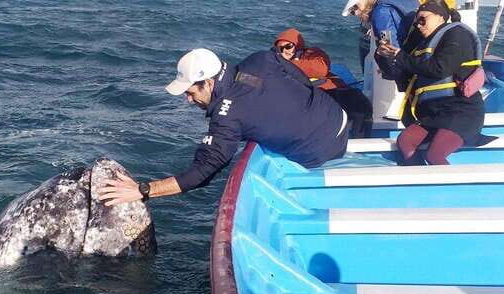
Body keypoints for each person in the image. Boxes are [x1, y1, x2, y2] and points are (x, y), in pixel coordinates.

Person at [99, 48, 348, 205]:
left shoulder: (226, 119)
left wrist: (142, 190)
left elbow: (203, 172)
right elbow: (300, 78)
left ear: (207, 83)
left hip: (323, 151)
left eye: (190, 92)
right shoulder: (260, 58)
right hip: (339, 116)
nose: (188, 100)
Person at [377, 0, 485, 165]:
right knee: (405, 141)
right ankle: (419, 183)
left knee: (434, 155)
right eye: (416, 22)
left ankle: (453, 189)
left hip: (460, 111)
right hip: (432, 114)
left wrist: (400, 56)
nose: (419, 25)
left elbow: (440, 69)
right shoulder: (421, 45)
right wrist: (385, 58)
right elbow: (403, 79)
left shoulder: (457, 34)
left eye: (423, 19)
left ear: (441, 17)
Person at [273, 28, 373, 138]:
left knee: (360, 103)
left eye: (288, 46)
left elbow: (320, 69)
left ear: (297, 46)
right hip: (309, 99)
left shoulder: (312, 53)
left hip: (331, 92)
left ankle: (359, 141)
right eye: (280, 48)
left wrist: (287, 64)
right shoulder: (274, 63)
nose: (284, 51)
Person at [343, 0, 420, 120]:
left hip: (408, 67)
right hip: (419, 55)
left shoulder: (380, 12)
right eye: (353, 12)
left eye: (355, 8)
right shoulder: (395, 3)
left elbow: (389, 47)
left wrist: (387, 70)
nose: (356, 13)